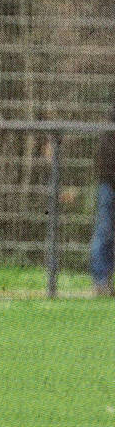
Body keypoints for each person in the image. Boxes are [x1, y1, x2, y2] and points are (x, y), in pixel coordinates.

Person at [89, 107, 115, 296]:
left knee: (105, 232)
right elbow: (104, 159)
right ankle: (100, 281)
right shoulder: (109, 129)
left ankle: (103, 281)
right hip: (109, 184)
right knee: (104, 231)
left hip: (108, 183)